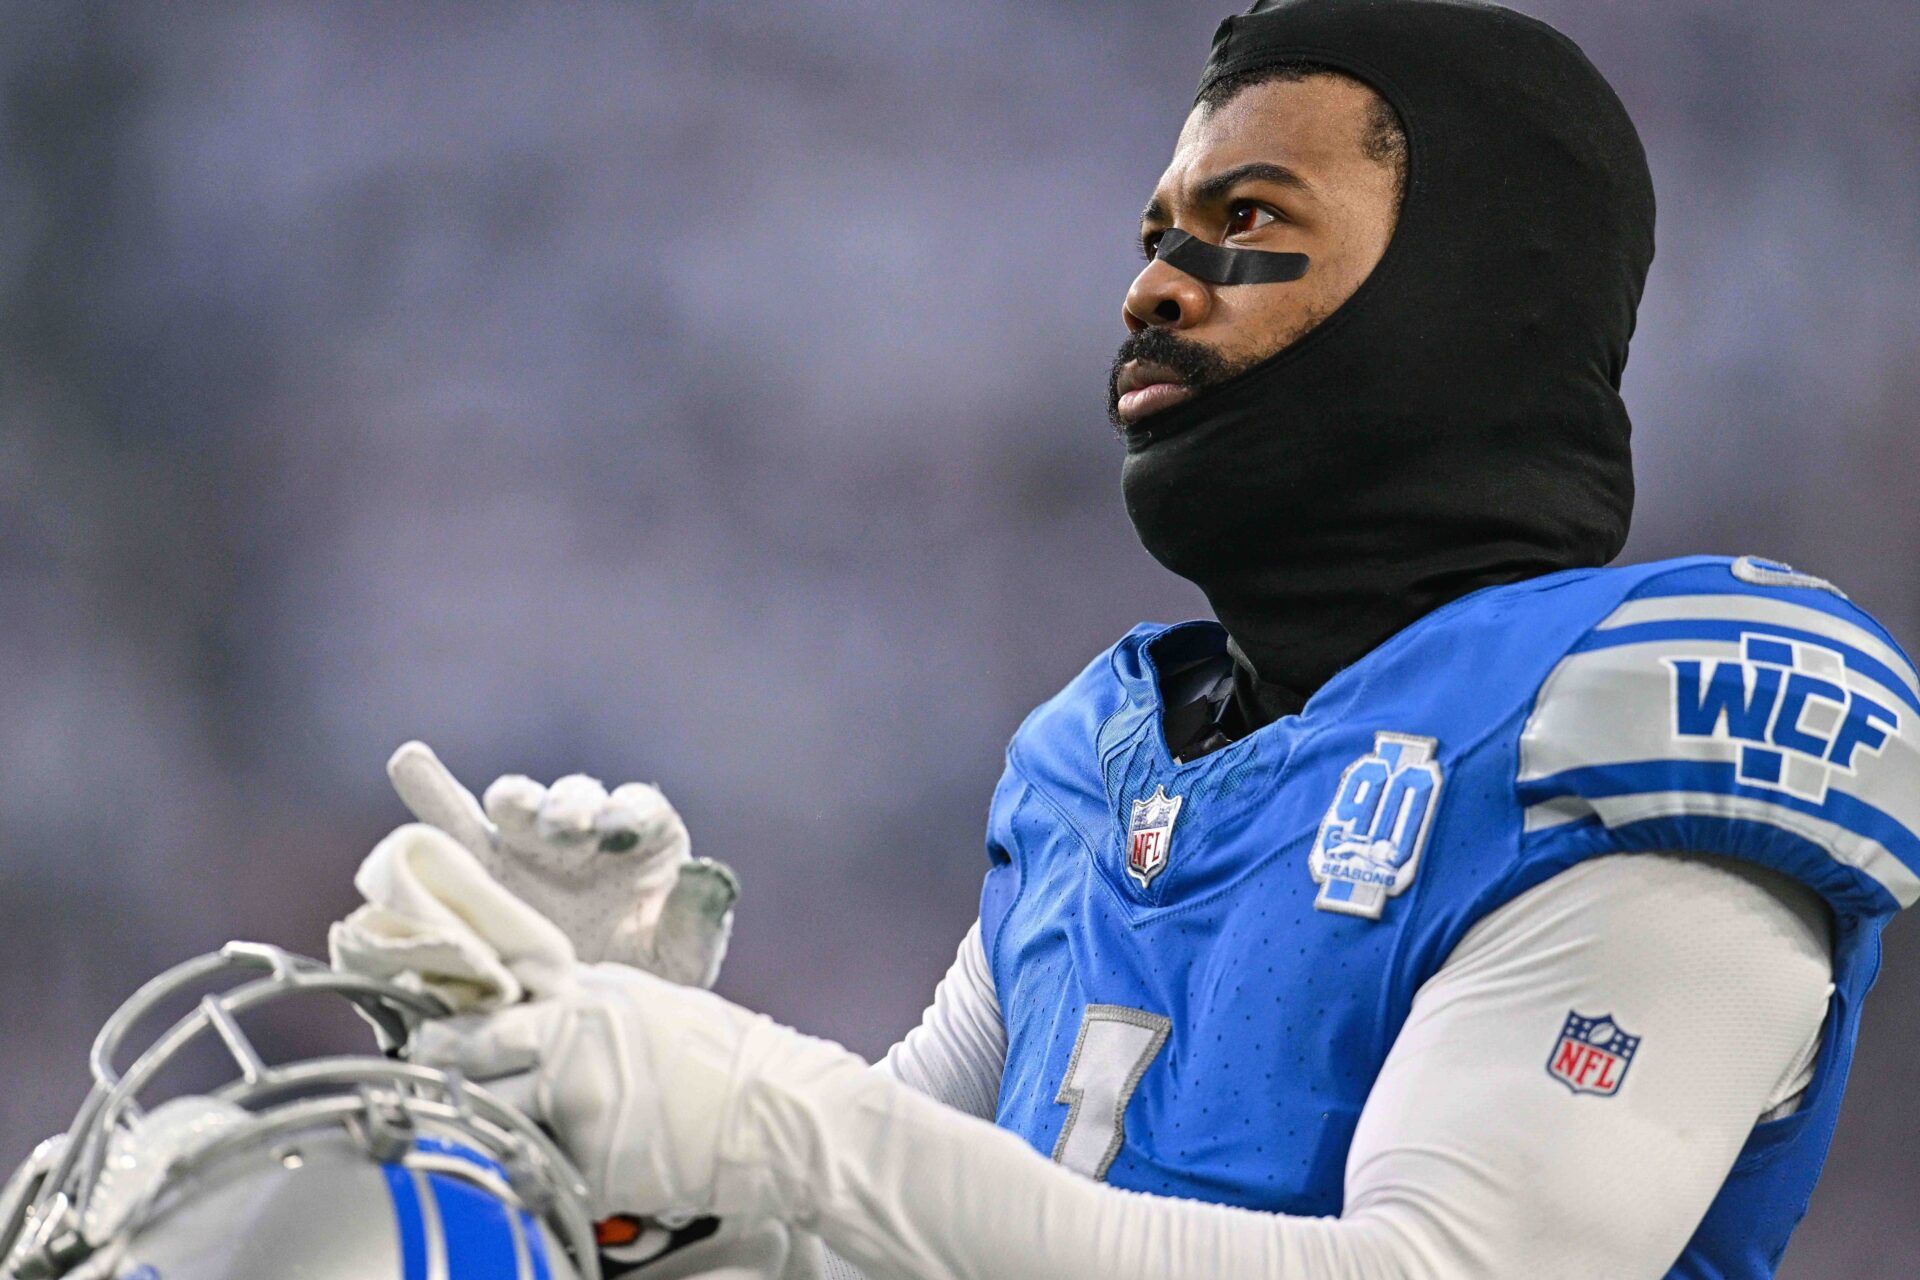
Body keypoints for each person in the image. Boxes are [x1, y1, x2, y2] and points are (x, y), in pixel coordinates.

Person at [333, 1, 1920, 1277]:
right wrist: (597, 1050)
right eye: (1159, 229)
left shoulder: (1626, 731)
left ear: (1475, 285)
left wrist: (773, 1124)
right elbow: (853, 1231)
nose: (1156, 285)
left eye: (1247, 217)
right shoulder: (1108, 767)